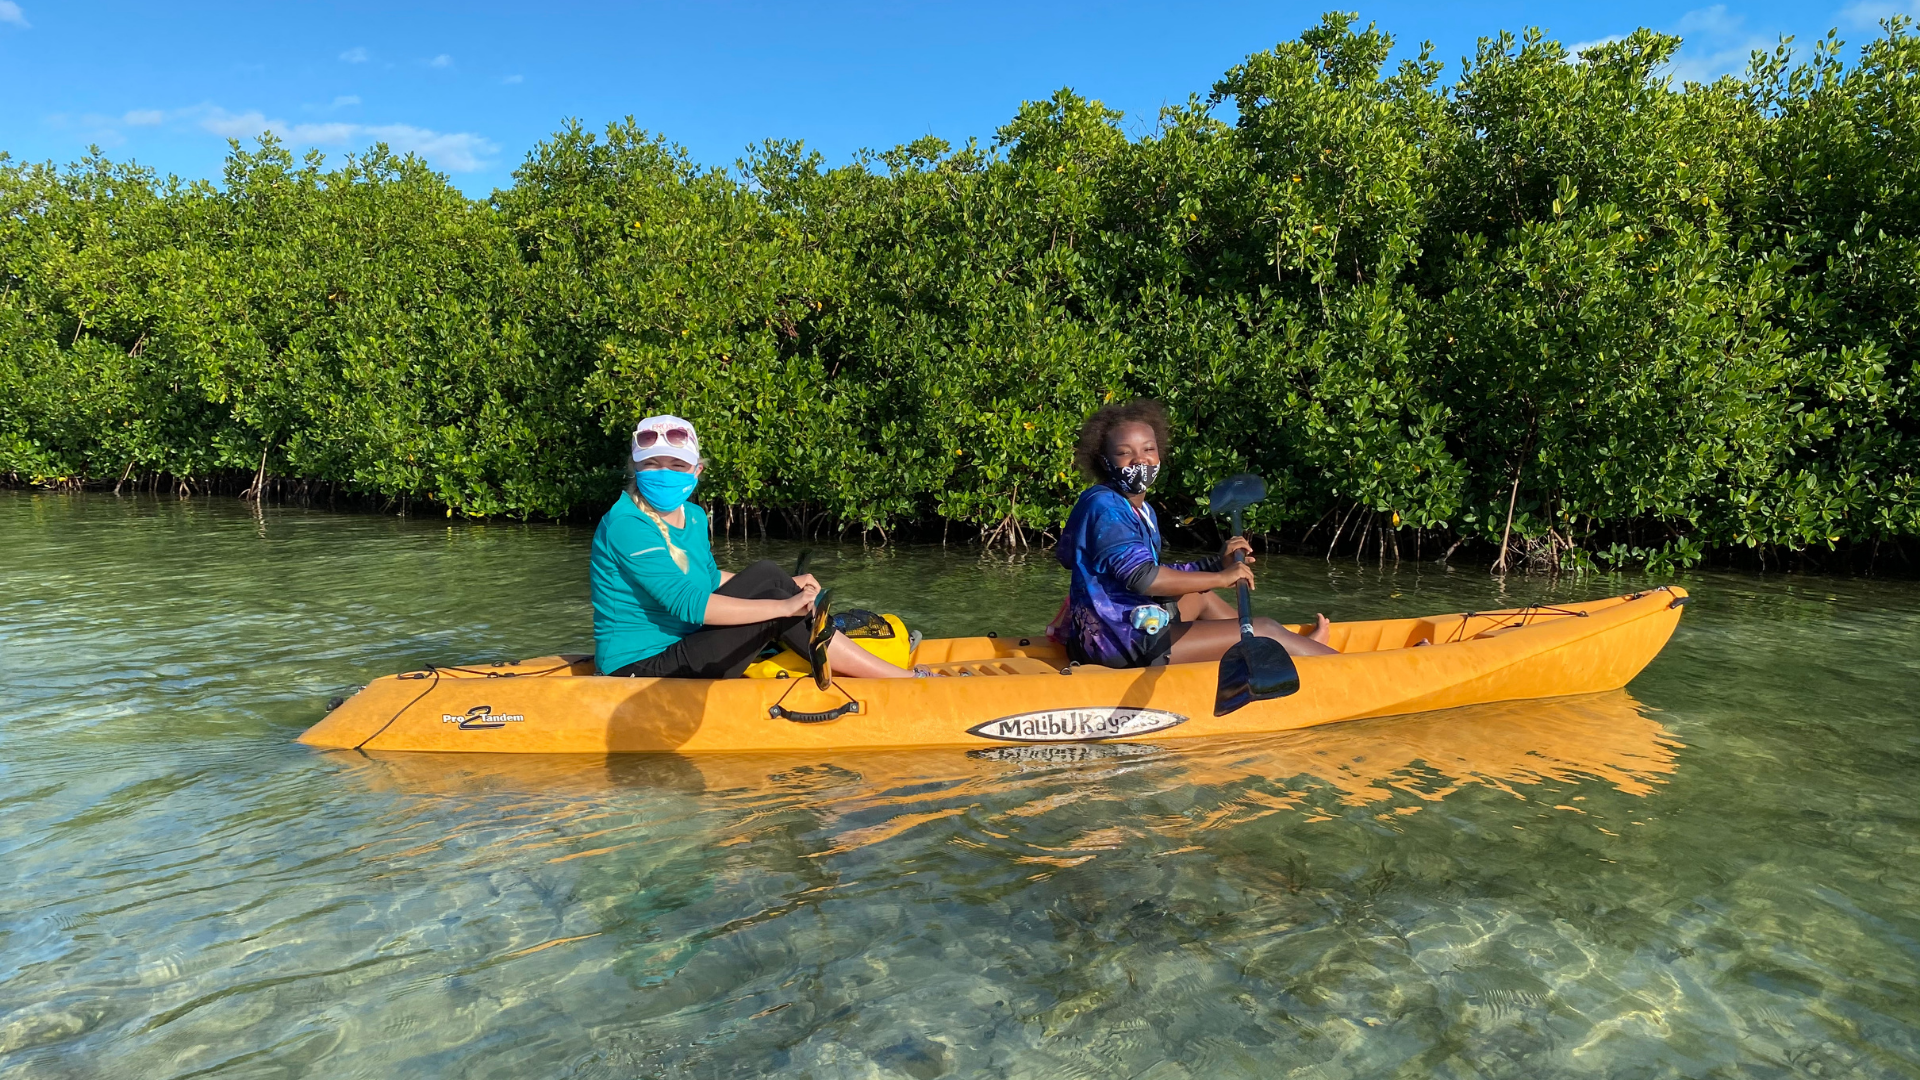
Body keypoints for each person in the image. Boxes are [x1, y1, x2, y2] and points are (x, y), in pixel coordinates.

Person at [591, 414, 922, 680]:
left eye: (677, 465)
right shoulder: (627, 524)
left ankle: (836, 646)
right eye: (652, 464)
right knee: (777, 604)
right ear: (635, 467)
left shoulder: (692, 515)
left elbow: (706, 577)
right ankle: (902, 680)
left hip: (686, 640)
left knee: (768, 573)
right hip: (641, 664)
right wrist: (783, 606)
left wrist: (789, 586)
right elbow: (689, 604)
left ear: (696, 470)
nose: (665, 473)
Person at [1053, 399, 1337, 669]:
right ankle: (1311, 656)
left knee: (1202, 596)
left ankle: (1290, 649)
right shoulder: (1105, 507)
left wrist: (1216, 564)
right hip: (1118, 643)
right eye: (1125, 453)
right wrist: (1221, 578)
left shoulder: (1140, 508)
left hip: (1118, 625)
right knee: (1266, 628)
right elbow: (1142, 578)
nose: (1141, 460)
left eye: (1148, 450)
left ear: (1159, 452)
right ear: (1104, 460)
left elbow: (1143, 571)